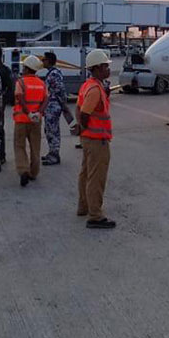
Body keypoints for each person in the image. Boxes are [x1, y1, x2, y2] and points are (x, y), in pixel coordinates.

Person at [73, 49, 116, 229]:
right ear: (97, 68)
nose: (108, 69)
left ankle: (84, 206)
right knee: (96, 177)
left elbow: (78, 109)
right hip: (97, 139)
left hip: (89, 138)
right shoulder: (95, 89)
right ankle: (95, 215)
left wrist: (83, 131)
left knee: (86, 174)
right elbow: (84, 114)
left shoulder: (88, 85)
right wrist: (86, 128)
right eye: (106, 66)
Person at [12, 55, 46, 188]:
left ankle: (23, 170)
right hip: (36, 121)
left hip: (22, 119)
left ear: (27, 68)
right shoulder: (42, 83)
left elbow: (20, 98)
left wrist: (29, 113)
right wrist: (38, 113)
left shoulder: (20, 82)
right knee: (35, 147)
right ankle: (34, 172)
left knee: (19, 146)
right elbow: (46, 100)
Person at [40, 51, 73, 166]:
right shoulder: (52, 73)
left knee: (53, 131)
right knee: (49, 130)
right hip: (51, 106)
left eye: (44, 59)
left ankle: (54, 155)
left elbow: (60, 89)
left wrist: (62, 104)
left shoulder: (54, 74)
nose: (42, 61)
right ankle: (51, 152)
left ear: (49, 61)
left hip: (53, 106)